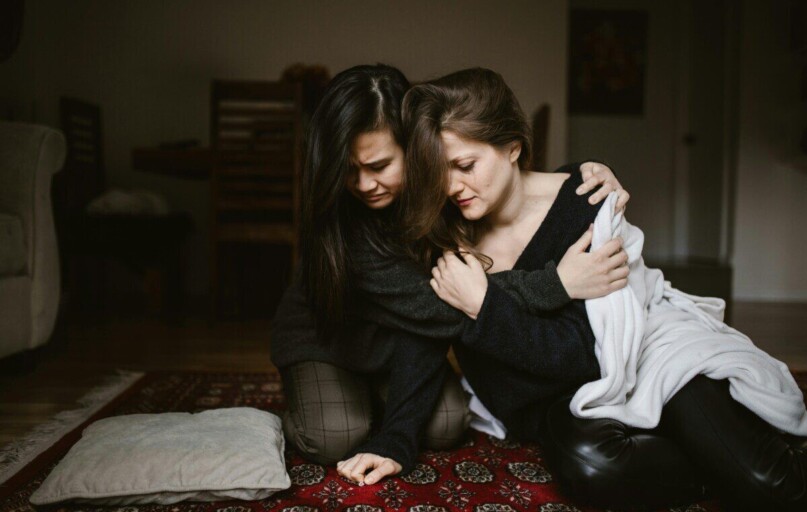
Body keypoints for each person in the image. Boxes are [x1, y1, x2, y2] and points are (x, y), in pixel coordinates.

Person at [404, 67, 807, 511]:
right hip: (555, 400)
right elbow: (506, 385)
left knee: (770, 484)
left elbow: (588, 353)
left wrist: (487, 305)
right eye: (439, 171)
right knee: (593, 468)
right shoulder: (445, 239)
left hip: (647, 351)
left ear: (513, 147)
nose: (451, 187)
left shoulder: (586, 199)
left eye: (465, 166)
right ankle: (709, 464)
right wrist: (549, 288)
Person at [270, 64, 631, 486]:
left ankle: (371, 403)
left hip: (399, 337)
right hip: (330, 339)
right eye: (348, 170)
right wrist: (557, 284)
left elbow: (509, 175)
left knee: (447, 424)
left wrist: (585, 172)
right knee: (337, 435)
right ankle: (325, 402)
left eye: (379, 165)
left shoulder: (446, 196)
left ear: (417, 148)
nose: (363, 184)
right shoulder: (353, 233)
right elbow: (446, 303)